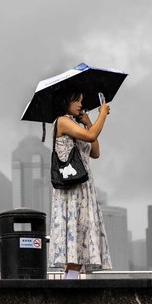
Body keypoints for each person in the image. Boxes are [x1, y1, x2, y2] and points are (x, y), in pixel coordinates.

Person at [48, 88, 112, 279]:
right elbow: (91, 136)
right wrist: (102, 115)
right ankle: (69, 291)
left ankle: (70, 284)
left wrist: (89, 122)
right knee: (74, 240)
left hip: (82, 189)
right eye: (76, 100)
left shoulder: (74, 123)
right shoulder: (62, 121)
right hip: (72, 190)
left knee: (78, 241)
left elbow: (95, 152)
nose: (80, 104)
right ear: (66, 101)